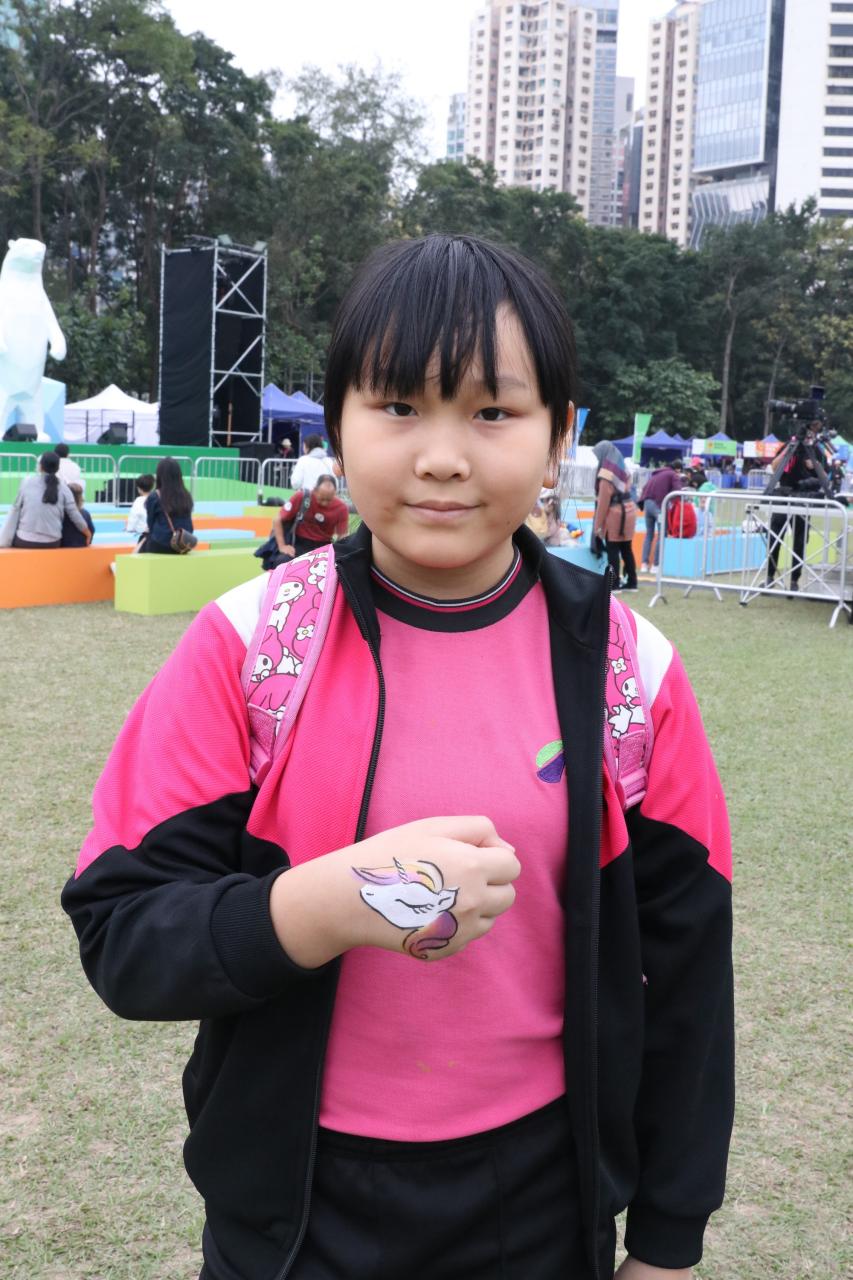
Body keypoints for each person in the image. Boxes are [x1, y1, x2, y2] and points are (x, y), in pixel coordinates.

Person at [62, 234, 733, 1280]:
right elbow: (122, 930)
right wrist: (327, 903)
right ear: (338, 424)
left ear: (558, 434)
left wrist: (666, 1241)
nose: (442, 457)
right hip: (291, 1218)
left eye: (493, 412)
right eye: (399, 406)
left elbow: (688, 973)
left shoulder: (627, 668)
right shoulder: (251, 644)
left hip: (543, 1208)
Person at [258, 474, 350, 570]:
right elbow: (278, 520)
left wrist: (341, 553)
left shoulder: (341, 508)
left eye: (329, 499)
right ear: (315, 490)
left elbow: (342, 535)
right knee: (281, 562)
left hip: (323, 547)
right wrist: (282, 546)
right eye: (322, 498)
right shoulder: (301, 497)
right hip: (299, 544)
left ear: (335, 493)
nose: (325, 503)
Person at [1, 450, 91, 548]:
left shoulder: (26, 482)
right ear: (58, 468)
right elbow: (74, 514)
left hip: (24, 541)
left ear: (40, 466)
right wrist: (87, 532)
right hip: (52, 542)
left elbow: (15, 508)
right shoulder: (64, 487)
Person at [592, 440, 638, 591]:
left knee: (613, 549)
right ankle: (632, 582)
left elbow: (603, 503)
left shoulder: (606, 474)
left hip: (616, 514)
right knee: (626, 549)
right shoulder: (623, 468)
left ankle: (614, 584)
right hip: (629, 510)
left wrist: (597, 527)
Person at [140, 457, 194, 554]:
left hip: (161, 544)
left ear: (159, 475)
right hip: (183, 543)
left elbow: (150, 524)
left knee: (143, 539)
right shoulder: (186, 495)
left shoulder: (155, 496)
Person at [638, 457, 683, 571]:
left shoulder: (657, 473)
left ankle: (644, 564)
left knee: (649, 535)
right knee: (662, 534)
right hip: (658, 506)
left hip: (647, 504)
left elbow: (644, 488)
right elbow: (678, 491)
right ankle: (656, 565)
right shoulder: (673, 475)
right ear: (678, 469)